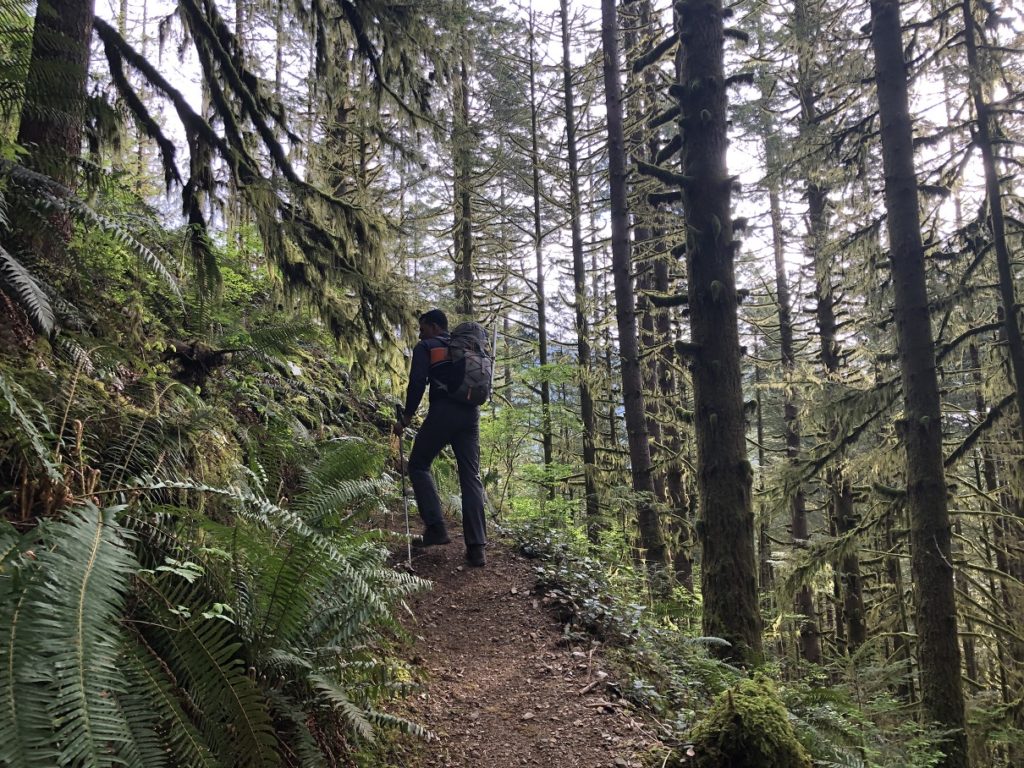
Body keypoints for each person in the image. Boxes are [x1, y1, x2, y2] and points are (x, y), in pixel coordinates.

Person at [393, 309, 487, 567]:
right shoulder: (467, 347)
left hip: (443, 411)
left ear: (435, 327)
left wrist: (406, 418)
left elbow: (417, 383)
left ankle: (436, 528)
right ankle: (477, 548)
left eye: (423, 328)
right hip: (471, 415)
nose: (420, 334)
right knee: (471, 477)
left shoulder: (427, 346)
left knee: (418, 464)